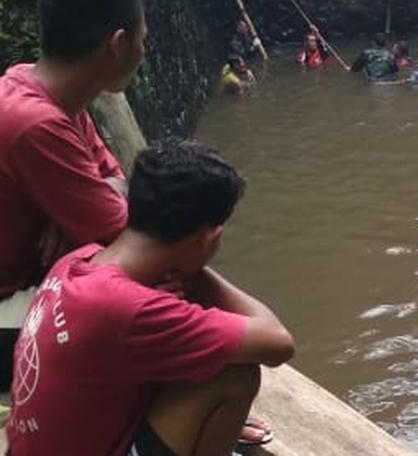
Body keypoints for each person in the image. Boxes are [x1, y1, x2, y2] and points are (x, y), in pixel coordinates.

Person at [4, 139, 295, 456]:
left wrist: (180, 259)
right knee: (234, 375)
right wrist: (195, 267)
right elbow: (278, 342)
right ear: (210, 237)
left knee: (187, 355)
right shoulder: (132, 310)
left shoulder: (79, 261)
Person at [0, 0, 141, 389]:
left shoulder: (42, 90)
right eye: (143, 37)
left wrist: (69, 213)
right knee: (161, 279)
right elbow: (125, 231)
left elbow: (116, 179)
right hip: (6, 313)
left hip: (28, 284)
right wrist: (87, 212)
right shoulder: (34, 123)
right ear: (116, 44)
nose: (144, 50)